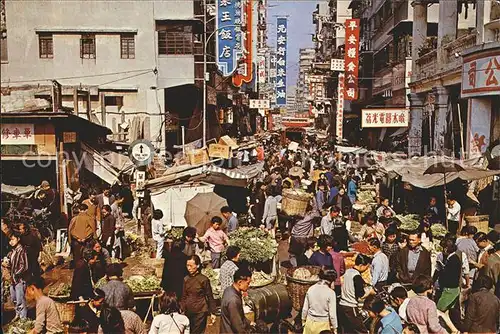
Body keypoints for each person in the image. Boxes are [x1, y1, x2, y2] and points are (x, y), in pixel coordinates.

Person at [180, 255, 216, 334]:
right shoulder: (186, 279)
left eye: (191, 266)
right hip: (188, 311)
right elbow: (184, 295)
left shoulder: (203, 280)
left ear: (197, 265)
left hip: (200, 311)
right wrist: (182, 308)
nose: (189, 268)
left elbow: (209, 296)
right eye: (187, 265)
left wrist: (213, 312)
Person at [339, 254, 373, 334]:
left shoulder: (348, 271)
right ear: (361, 265)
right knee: (361, 330)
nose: (366, 269)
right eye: (366, 267)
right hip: (350, 306)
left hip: (342, 305)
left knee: (346, 329)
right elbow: (361, 294)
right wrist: (370, 292)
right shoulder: (356, 276)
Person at [302, 269, 338, 334]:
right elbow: (332, 315)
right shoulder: (331, 293)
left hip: (309, 323)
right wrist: (335, 328)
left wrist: (303, 321)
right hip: (323, 326)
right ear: (331, 281)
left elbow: (305, 309)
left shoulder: (311, 288)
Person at [220, 267, 254, 334]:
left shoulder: (228, 289)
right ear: (240, 282)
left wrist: (250, 323)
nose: (249, 286)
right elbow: (237, 326)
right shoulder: (233, 300)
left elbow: (240, 315)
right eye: (248, 283)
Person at [3, 233, 29, 319]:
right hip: (13, 280)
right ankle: (17, 315)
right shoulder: (12, 252)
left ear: (18, 239)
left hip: (19, 280)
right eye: (10, 240)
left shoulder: (22, 250)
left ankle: (23, 319)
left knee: (20, 300)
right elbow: (11, 264)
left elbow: (24, 266)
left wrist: (16, 274)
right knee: (14, 299)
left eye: (13, 239)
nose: (11, 242)